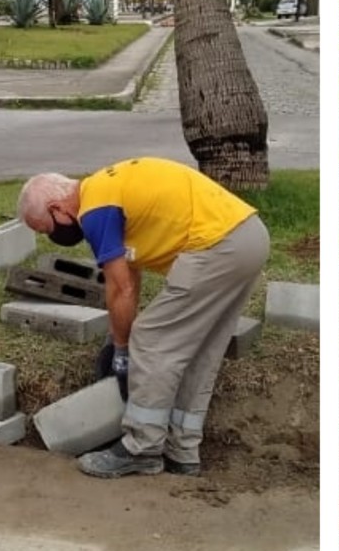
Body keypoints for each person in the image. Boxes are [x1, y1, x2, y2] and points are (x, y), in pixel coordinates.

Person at [17, 157, 270, 479]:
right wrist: (116, 337)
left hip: (217, 245)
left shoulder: (95, 210)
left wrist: (123, 349)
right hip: (248, 236)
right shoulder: (109, 190)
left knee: (151, 339)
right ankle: (183, 451)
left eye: (47, 230)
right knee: (200, 350)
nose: (51, 237)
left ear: (57, 208)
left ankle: (142, 448)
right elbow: (130, 281)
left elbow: (119, 288)